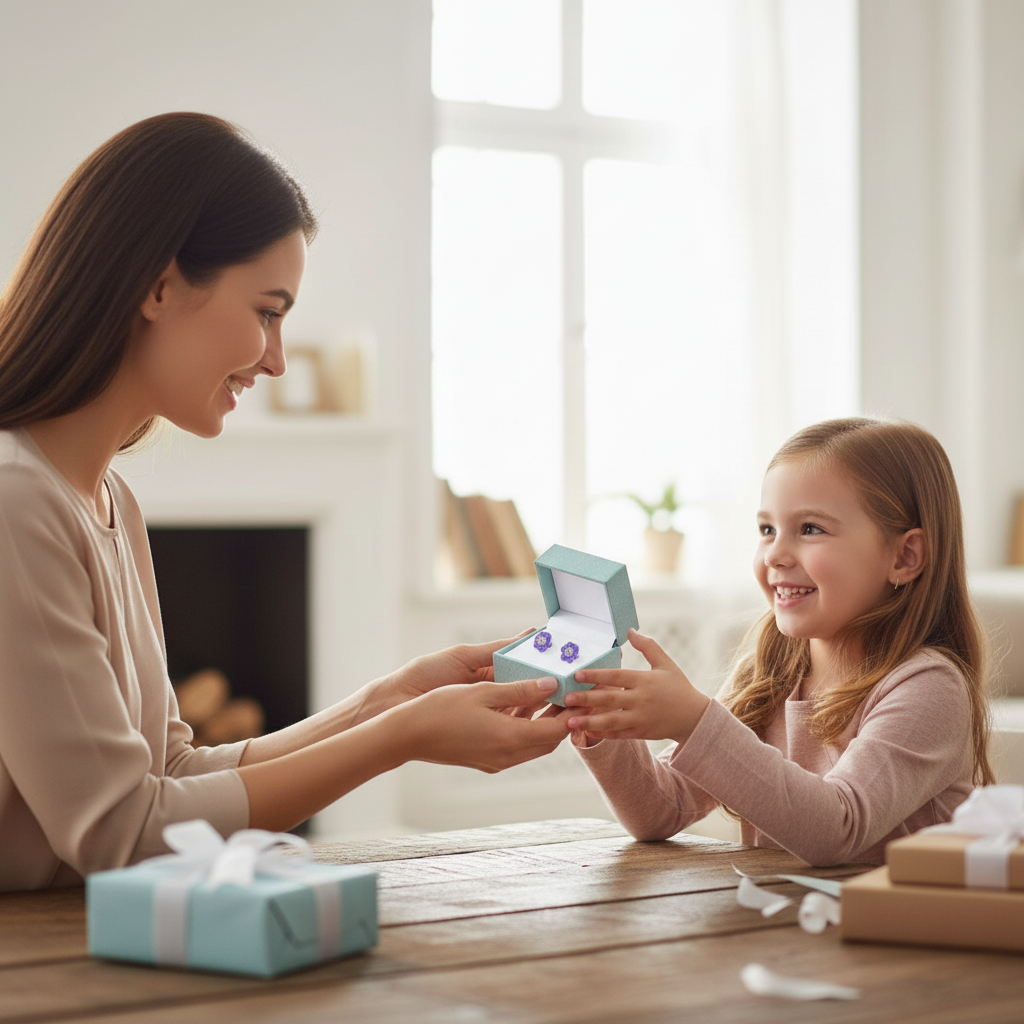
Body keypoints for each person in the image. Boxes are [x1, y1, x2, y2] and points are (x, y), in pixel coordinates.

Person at [0, 112, 568, 891]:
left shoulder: (109, 502)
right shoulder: (14, 499)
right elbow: (120, 832)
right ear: (158, 286)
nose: (274, 360)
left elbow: (172, 770)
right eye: (267, 312)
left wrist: (384, 701)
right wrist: (396, 738)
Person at [562, 418, 993, 866]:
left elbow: (837, 829)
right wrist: (602, 722)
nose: (775, 554)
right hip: (782, 930)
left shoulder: (929, 689)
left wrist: (694, 721)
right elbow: (658, 811)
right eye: (767, 529)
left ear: (904, 556)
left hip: (888, 932)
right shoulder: (772, 674)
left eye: (810, 529)